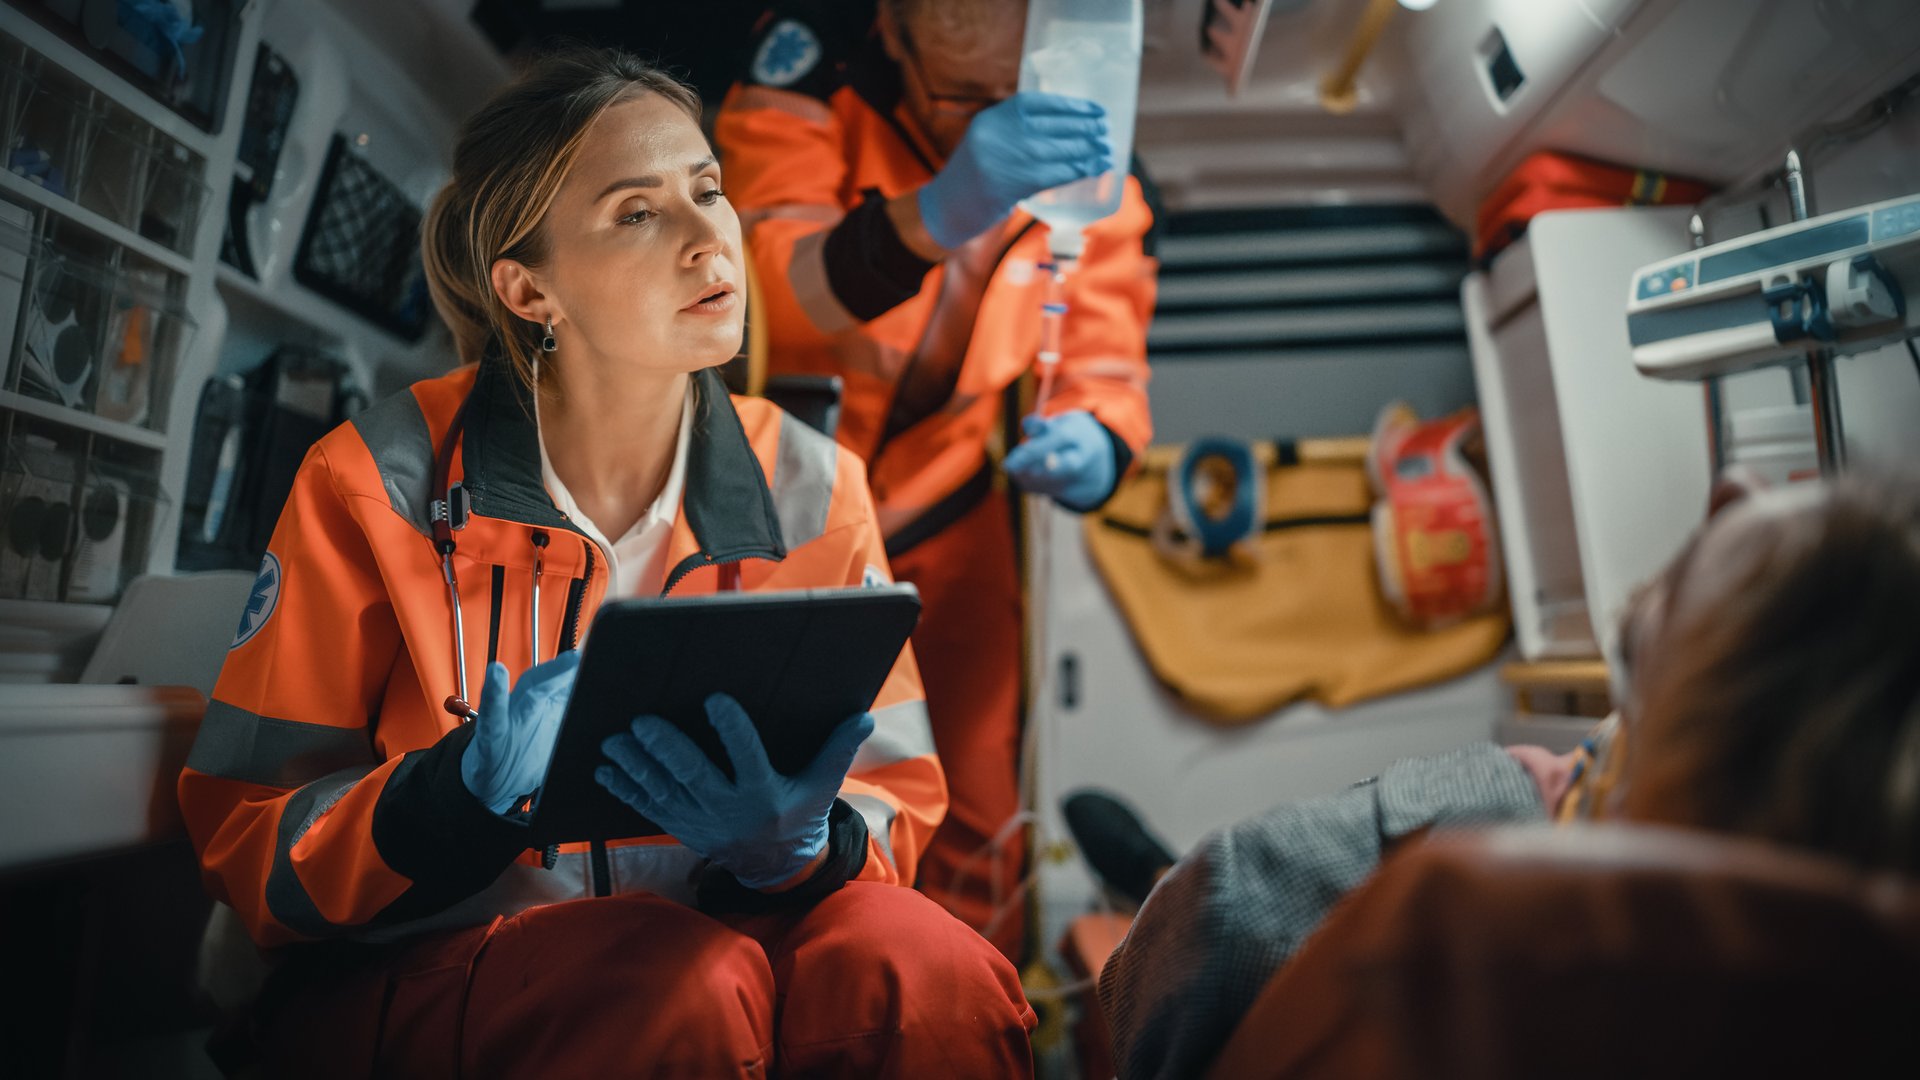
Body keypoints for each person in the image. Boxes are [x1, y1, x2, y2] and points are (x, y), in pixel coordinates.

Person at [177, 48, 1034, 1078]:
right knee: (677, 982)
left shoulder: (813, 483)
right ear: (530, 289)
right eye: (638, 212)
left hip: (721, 938)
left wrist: (800, 848)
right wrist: (456, 795)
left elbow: (892, 798)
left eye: (707, 191)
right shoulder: (373, 482)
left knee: (932, 970)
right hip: (422, 967)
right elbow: (251, 849)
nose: (707, 236)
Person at [1097, 467, 1920, 1079]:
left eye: (1631, 711)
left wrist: (1455, 810)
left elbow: (1215, 915)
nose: (1732, 487)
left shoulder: (1468, 923)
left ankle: (1151, 873)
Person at [713, 0, 1159, 961]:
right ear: (893, 33)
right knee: (759, 791)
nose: (990, 119)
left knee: (976, 804)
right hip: (790, 511)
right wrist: (939, 210)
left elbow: (1107, 359)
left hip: (953, 511)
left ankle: (974, 1008)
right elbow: (766, 303)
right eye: (961, 94)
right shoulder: (805, 80)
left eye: (1016, 93)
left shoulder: (1095, 153)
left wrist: (1094, 442)